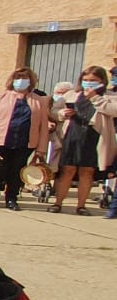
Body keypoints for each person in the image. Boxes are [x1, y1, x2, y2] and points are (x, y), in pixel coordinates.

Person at [0, 66, 52, 211]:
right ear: (12, 80)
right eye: (18, 78)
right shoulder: (0, 96)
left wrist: (41, 149)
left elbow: (43, 126)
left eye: (25, 79)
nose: (21, 81)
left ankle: (11, 198)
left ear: (30, 82)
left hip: (24, 143)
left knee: (16, 171)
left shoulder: (38, 101)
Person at [49, 66, 116, 214]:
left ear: (102, 81)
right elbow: (53, 110)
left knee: (87, 172)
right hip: (73, 134)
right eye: (86, 80)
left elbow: (113, 110)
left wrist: (95, 97)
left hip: (94, 136)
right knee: (67, 170)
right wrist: (61, 113)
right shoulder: (71, 94)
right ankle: (58, 203)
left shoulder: (109, 95)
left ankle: (81, 206)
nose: (88, 83)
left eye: (93, 80)